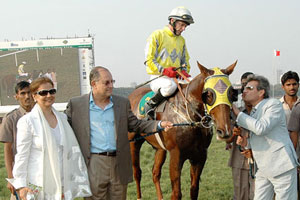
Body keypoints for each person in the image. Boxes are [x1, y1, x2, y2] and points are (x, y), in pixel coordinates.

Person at [65, 66, 173, 200]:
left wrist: (158, 124)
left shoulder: (122, 103)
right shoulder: (77, 105)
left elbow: (136, 124)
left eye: (112, 81)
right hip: (93, 163)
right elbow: (63, 128)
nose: (111, 86)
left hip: (119, 163)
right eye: (107, 83)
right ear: (94, 84)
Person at [8, 77, 91, 199]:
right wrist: (20, 186)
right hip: (38, 183)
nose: (49, 95)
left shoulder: (62, 118)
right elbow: (22, 155)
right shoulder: (27, 121)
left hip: (61, 182)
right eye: (43, 93)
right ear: (34, 96)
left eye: (52, 91)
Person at [232, 74, 298, 200]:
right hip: (263, 168)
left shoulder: (273, 105)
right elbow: (260, 138)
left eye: (249, 88)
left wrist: (237, 113)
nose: (244, 91)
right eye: (244, 88)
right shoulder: (254, 111)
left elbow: (261, 128)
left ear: (261, 92)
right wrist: (246, 142)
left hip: (281, 166)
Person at [144, 6, 193, 118]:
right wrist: (164, 70)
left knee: (194, 85)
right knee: (169, 86)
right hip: (159, 77)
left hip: (176, 77)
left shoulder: (182, 40)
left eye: (185, 26)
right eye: (182, 25)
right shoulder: (157, 35)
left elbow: (185, 61)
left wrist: (184, 71)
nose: (183, 28)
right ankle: (150, 105)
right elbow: (149, 61)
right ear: (172, 21)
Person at [0, 81, 34, 200]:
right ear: (16, 96)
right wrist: (11, 178)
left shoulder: (43, 116)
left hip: (39, 170)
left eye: (29, 92)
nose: (27, 96)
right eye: (23, 93)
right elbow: (8, 150)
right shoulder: (10, 119)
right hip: (20, 174)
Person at [227, 72, 255, 200]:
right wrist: (234, 134)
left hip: (260, 159)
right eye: (244, 85)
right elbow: (227, 138)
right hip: (239, 158)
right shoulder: (234, 111)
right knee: (240, 195)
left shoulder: (266, 111)